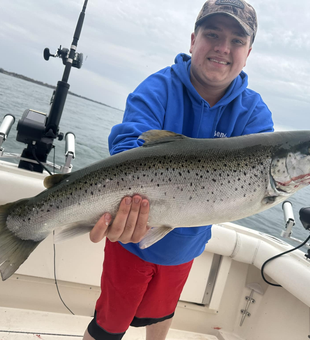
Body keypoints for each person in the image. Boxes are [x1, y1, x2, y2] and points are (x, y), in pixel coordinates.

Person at [83, 0, 274, 339]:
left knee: (161, 318)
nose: (222, 47)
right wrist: (115, 208)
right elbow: (129, 143)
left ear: (248, 52)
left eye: (237, 40)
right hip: (128, 242)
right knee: (108, 327)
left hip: (184, 247)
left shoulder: (254, 115)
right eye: (212, 34)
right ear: (192, 40)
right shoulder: (159, 87)